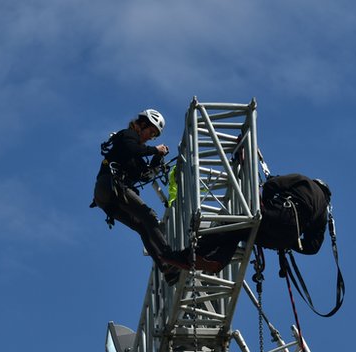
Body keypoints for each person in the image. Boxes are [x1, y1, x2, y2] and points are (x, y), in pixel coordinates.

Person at [164, 173, 332, 273]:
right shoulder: (323, 212)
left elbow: (271, 185)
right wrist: (292, 243)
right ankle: (216, 262)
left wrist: (264, 207)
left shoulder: (303, 180)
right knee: (241, 230)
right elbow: (312, 247)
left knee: (235, 225)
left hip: (278, 214)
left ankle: (194, 255)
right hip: (285, 238)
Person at [92, 109, 183, 275]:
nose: (150, 137)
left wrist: (156, 159)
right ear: (142, 125)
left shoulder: (134, 151)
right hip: (111, 186)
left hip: (106, 198)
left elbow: (143, 174)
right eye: (151, 132)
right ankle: (170, 257)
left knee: (142, 226)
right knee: (148, 216)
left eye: (154, 135)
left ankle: (167, 270)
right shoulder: (128, 135)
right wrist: (155, 150)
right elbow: (132, 148)